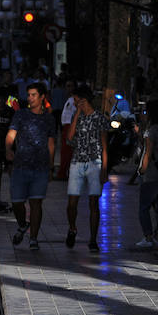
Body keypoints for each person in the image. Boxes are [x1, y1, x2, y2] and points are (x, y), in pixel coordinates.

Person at [5, 83, 56, 250]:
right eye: (29, 95)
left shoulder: (49, 118)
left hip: (40, 168)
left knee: (36, 203)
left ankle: (33, 238)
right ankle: (22, 224)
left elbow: (51, 143)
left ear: (42, 97)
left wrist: (50, 166)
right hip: (20, 165)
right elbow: (11, 134)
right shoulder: (21, 115)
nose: (30, 98)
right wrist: (8, 149)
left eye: (34, 95)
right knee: (17, 202)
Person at [64, 85, 109, 252]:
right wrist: (77, 114)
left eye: (77, 100)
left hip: (94, 162)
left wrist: (104, 169)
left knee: (93, 202)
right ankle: (72, 228)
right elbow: (69, 138)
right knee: (72, 202)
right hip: (77, 161)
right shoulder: (78, 117)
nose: (75, 103)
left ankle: (92, 239)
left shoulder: (99, 118)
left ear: (84, 99)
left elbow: (104, 145)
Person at [135, 100, 158, 249]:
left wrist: (141, 169)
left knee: (144, 206)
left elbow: (147, 153)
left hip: (151, 173)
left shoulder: (151, 131)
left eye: (145, 111)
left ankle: (148, 237)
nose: (144, 114)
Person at [57, 79, 77, 180]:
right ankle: (63, 172)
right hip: (66, 127)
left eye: (70, 86)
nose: (68, 89)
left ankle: (63, 173)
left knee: (67, 151)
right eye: (67, 86)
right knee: (65, 151)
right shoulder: (69, 100)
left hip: (70, 127)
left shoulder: (74, 101)